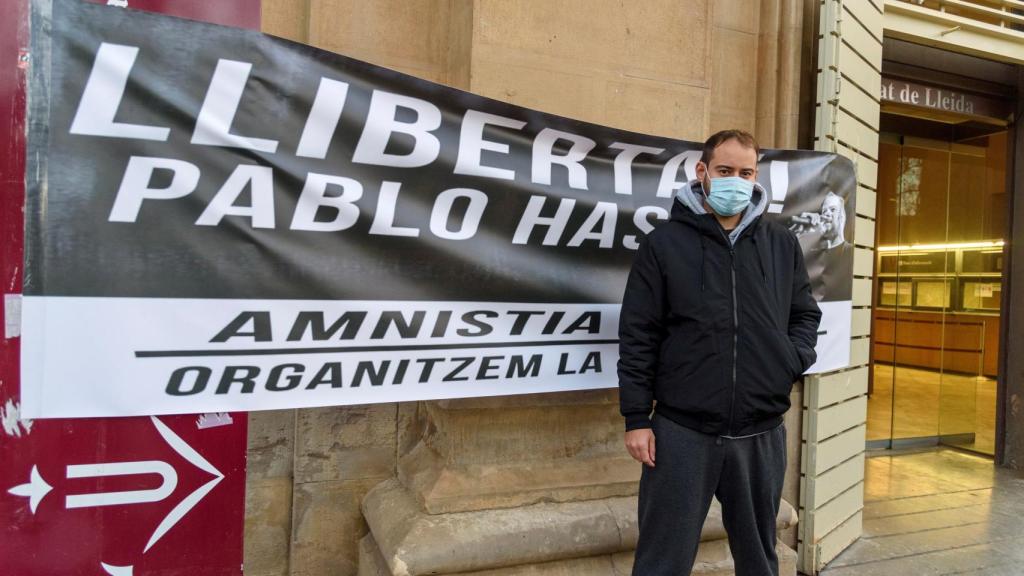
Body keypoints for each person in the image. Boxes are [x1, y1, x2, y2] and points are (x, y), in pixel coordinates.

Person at [618, 129, 822, 576]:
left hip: (760, 433)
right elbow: (639, 334)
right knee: (661, 560)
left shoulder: (780, 243)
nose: (736, 180)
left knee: (759, 559)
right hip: (681, 433)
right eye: (725, 170)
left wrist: (790, 359)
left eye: (746, 172)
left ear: (756, 176)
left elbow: (805, 314)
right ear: (702, 172)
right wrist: (636, 418)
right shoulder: (664, 244)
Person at [789, 191, 854, 301]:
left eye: (833, 210)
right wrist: (804, 234)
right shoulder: (815, 253)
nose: (827, 214)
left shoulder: (850, 251)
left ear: (841, 216)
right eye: (824, 211)